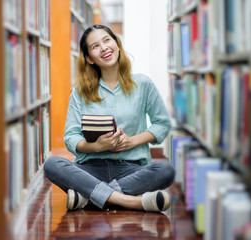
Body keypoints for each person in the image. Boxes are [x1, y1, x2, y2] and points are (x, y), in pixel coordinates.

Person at [44, 24, 175, 212]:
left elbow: (162, 124)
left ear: (117, 44)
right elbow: (71, 137)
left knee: (165, 170)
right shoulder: (80, 92)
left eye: (107, 40)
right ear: (89, 58)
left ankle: (88, 197)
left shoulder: (143, 84)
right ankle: (131, 201)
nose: (104, 47)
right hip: (89, 169)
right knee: (52, 164)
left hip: (131, 169)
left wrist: (131, 142)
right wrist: (96, 146)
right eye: (95, 46)